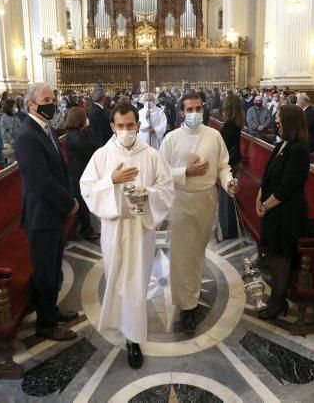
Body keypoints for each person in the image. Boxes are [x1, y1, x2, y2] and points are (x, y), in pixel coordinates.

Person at [80, 102, 174, 369]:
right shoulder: (101, 155)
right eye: (120, 126)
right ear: (112, 127)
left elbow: (166, 188)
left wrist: (149, 194)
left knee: (136, 282)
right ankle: (118, 323)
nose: (126, 130)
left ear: (139, 125)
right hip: (114, 228)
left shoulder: (152, 155)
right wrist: (112, 180)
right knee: (117, 278)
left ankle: (133, 339)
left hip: (141, 228)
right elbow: (87, 188)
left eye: (130, 125)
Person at [159, 92, 238, 333]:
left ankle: (190, 297)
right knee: (184, 254)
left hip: (206, 199)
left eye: (198, 108)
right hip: (181, 200)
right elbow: (161, 173)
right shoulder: (171, 138)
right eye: (189, 109)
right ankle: (187, 307)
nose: (194, 113)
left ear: (203, 109)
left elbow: (223, 165)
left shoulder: (214, 136)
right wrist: (185, 172)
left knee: (197, 251)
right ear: (182, 112)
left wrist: (229, 182)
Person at [15, 83, 80, 341]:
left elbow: (60, 170)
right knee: (44, 270)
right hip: (42, 214)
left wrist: (68, 196)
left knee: (54, 267)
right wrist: (69, 202)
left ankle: (51, 310)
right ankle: (45, 324)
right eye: (46, 99)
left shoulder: (46, 128)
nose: (51, 103)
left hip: (52, 212)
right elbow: (42, 180)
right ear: (32, 104)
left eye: (53, 98)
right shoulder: (27, 136)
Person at [256, 105, 310, 319]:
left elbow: (287, 186)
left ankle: (278, 301)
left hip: (288, 213)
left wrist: (266, 205)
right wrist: (259, 198)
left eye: (278, 119)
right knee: (275, 254)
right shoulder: (281, 145)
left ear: (289, 123)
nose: (275, 122)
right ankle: (275, 298)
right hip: (273, 209)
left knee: (282, 256)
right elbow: (268, 176)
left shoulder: (299, 150)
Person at [65, 107, 100, 241]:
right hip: (78, 173)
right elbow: (91, 150)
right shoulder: (76, 136)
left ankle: (88, 228)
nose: (87, 118)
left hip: (82, 171)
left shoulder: (80, 132)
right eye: (85, 116)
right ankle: (86, 230)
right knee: (83, 203)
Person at [218, 95, 244, 241]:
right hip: (233, 161)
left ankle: (228, 230)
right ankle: (229, 228)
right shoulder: (235, 122)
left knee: (226, 195)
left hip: (228, 163)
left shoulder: (229, 126)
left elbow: (224, 147)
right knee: (227, 195)